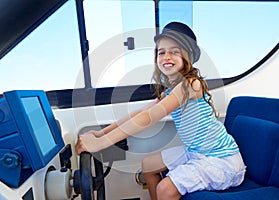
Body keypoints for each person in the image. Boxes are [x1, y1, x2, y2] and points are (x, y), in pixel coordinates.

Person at [75, 22, 246, 200]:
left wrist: (100, 144)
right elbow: (140, 113)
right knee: (148, 165)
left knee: (165, 189)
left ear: (188, 57)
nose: (166, 56)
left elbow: (149, 117)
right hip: (195, 152)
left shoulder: (191, 85)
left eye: (174, 51)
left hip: (222, 160)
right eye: (161, 52)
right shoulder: (172, 91)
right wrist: (100, 133)